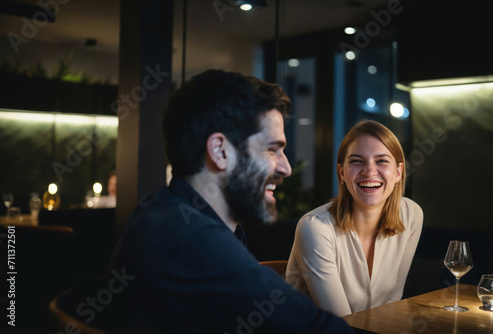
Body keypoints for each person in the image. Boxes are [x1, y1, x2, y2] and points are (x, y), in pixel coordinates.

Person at [107, 70, 354, 333]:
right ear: (220, 151)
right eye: (272, 149)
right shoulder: (190, 238)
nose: (286, 168)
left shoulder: (164, 212)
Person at [285, 120, 423, 317]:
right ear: (341, 172)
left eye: (381, 161)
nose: (369, 171)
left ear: (398, 172)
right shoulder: (315, 227)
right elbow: (339, 324)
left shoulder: (412, 215)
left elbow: (392, 300)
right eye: (357, 161)